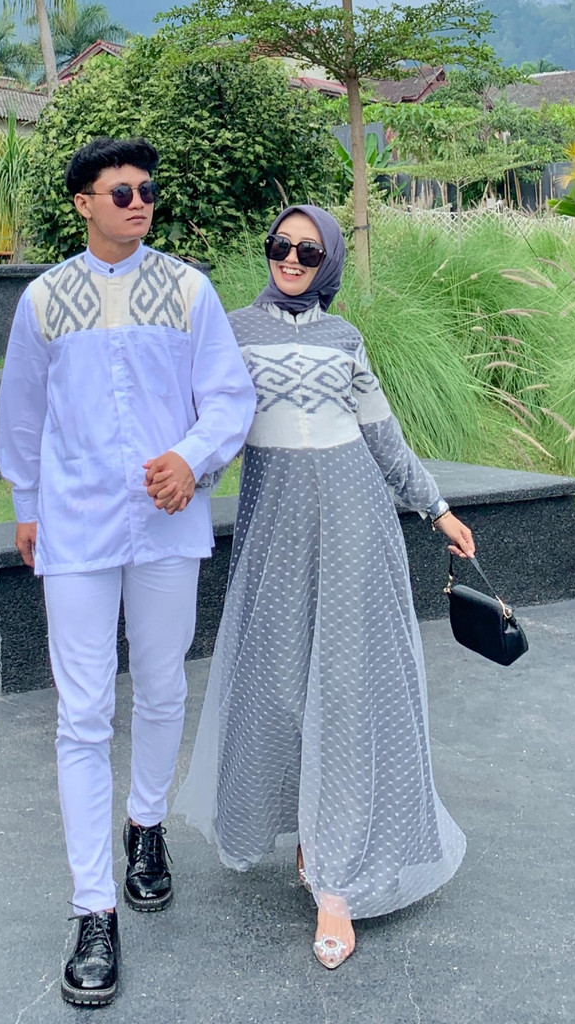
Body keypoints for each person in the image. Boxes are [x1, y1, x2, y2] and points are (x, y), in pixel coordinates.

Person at [173, 204, 475, 970]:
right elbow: (215, 436)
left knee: (344, 694)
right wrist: (176, 487)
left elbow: (384, 438)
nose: (292, 258)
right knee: (278, 691)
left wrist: (436, 508)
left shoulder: (345, 339)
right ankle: (309, 833)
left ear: (328, 261)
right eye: (280, 245)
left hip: (355, 532)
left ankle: (336, 883)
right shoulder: (233, 331)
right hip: (276, 538)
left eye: (309, 251)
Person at [0, 137, 256, 1007]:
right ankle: (93, 909)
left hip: (166, 524)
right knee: (81, 714)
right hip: (74, 526)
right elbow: (22, 411)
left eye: (146, 190)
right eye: (121, 191)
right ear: (84, 203)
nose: (139, 202)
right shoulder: (45, 299)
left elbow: (229, 396)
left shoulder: (187, 290)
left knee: (162, 685)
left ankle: (146, 825)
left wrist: (191, 457)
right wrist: (26, 503)